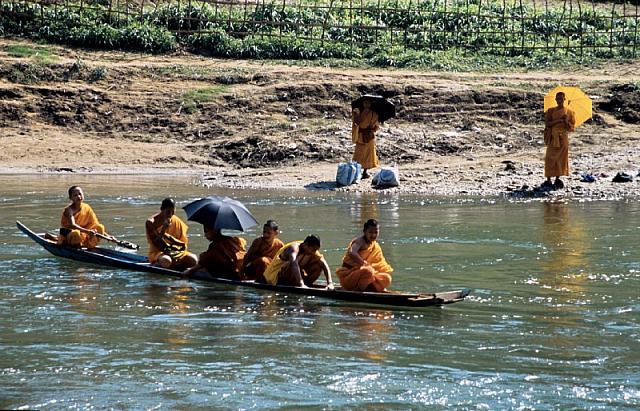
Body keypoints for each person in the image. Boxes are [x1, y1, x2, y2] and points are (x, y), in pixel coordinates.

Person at [336, 219, 393, 292]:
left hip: (365, 276)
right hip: (349, 277)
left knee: (387, 278)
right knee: (368, 271)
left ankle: (368, 289)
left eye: (376, 232)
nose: (373, 235)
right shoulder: (359, 241)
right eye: (370, 232)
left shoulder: (375, 245)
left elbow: (379, 265)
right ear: (364, 232)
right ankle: (357, 293)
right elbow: (352, 253)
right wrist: (364, 264)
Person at [260, 235, 334, 289]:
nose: (314, 252)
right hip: (273, 278)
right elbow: (293, 264)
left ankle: (305, 284)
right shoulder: (293, 248)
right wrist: (301, 284)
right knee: (291, 265)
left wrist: (330, 283)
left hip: (291, 278)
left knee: (318, 266)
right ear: (306, 245)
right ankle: (300, 284)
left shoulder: (311, 249)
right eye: (313, 250)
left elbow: (324, 264)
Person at [145, 198, 197, 269]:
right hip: (158, 252)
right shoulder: (151, 222)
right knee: (166, 261)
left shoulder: (175, 220)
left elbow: (182, 243)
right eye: (168, 211)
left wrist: (177, 250)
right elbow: (157, 243)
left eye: (173, 211)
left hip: (175, 251)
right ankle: (158, 263)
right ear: (162, 209)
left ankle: (175, 264)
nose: (170, 214)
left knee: (193, 260)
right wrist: (163, 229)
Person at [543, 91, 576, 190]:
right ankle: (548, 179)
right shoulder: (551, 111)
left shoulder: (569, 112)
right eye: (557, 99)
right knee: (549, 158)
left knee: (560, 159)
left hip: (563, 139)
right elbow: (547, 124)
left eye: (561, 99)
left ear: (564, 99)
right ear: (555, 100)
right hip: (553, 137)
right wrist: (559, 120)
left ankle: (557, 178)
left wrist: (566, 121)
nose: (559, 101)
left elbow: (571, 128)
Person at [352, 98, 380, 179]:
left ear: (371, 104)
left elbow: (376, 126)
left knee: (368, 155)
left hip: (369, 137)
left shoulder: (374, 114)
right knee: (359, 154)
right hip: (362, 136)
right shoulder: (358, 113)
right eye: (365, 103)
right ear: (363, 104)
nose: (366, 105)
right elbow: (356, 122)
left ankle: (365, 172)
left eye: (368, 103)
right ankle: (357, 171)